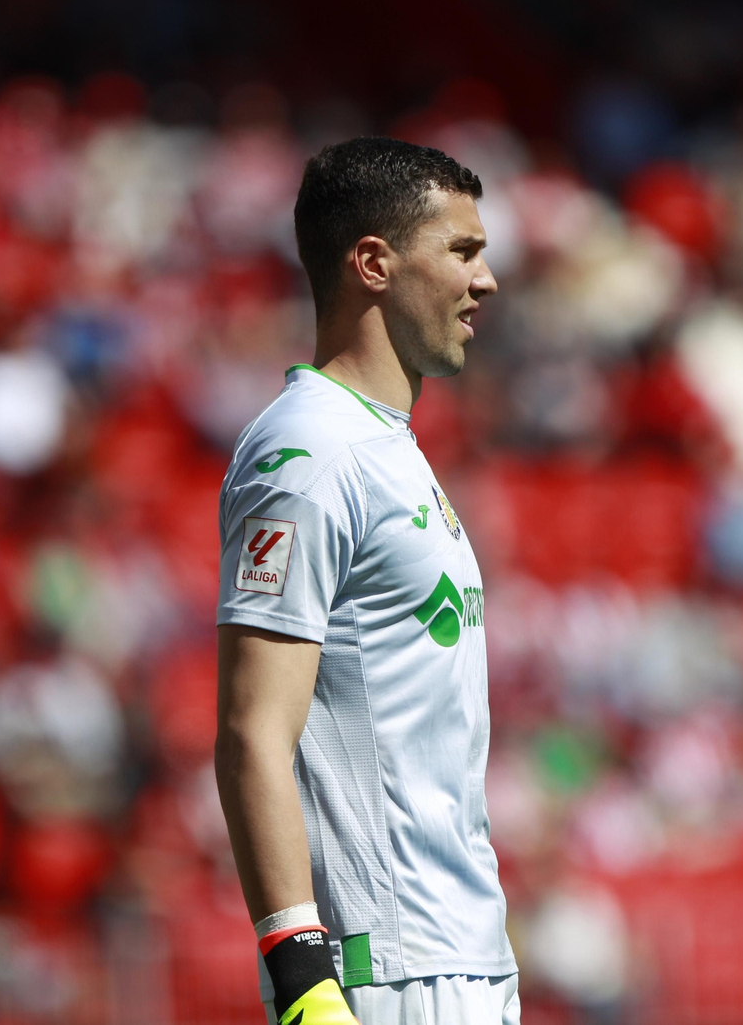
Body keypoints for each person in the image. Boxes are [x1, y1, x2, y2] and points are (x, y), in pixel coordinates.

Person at [214, 136, 517, 1025]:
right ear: (375, 263)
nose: (487, 279)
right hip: (383, 974)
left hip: (462, 958)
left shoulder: (386, 447)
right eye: (462, 250)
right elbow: (252, 730)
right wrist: (302, 977)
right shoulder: (305, 452)